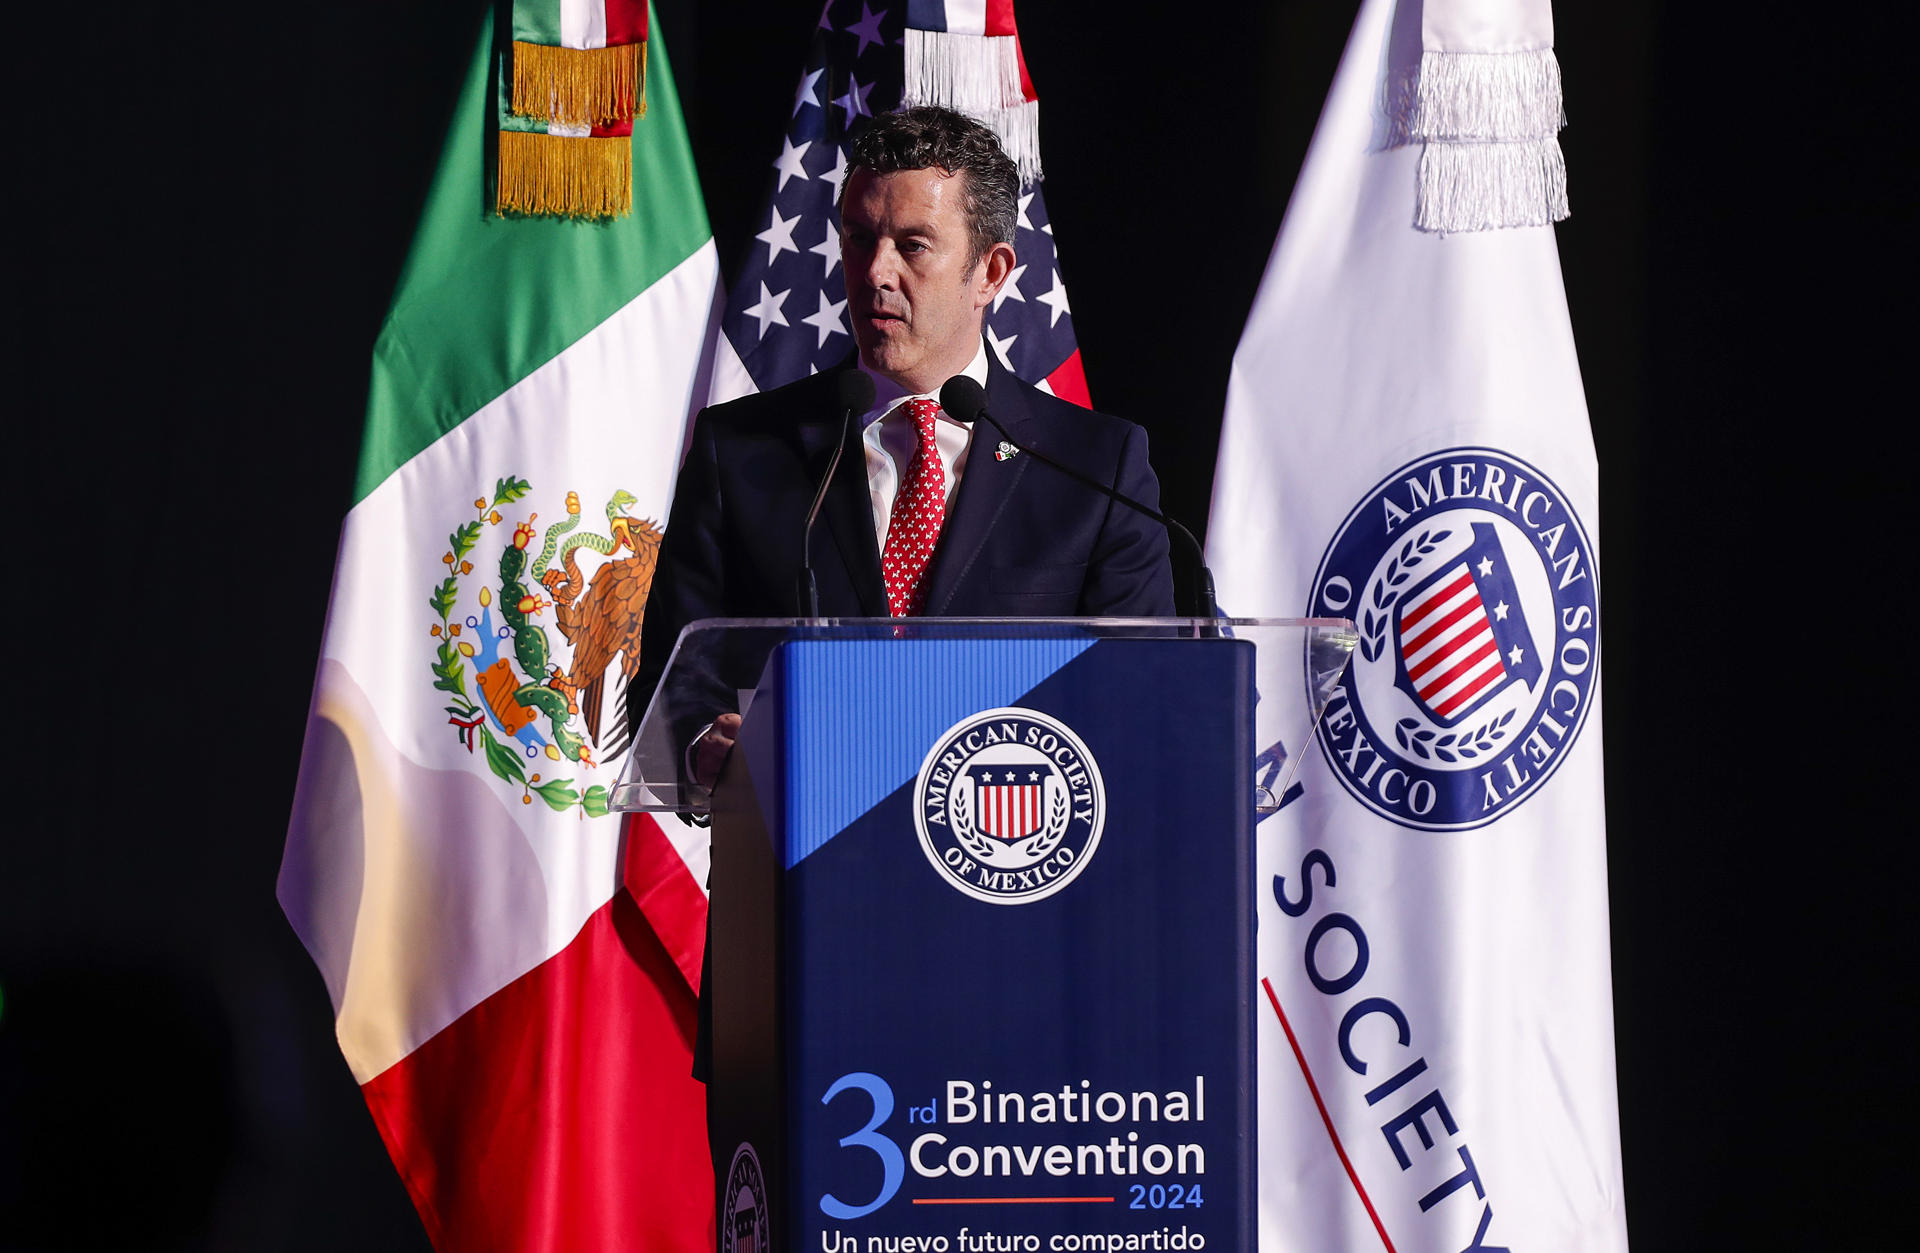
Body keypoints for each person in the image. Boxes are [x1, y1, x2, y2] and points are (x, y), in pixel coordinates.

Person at [634, 106, 1174, 785]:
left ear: (990, 271)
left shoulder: (1095, 469)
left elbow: (1143, 696)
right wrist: (707, 743)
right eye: (859, 239)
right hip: (790, 868)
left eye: (913, 245)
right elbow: (671, 683)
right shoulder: (742, 451)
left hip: (1012, 865)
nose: (875, 272)